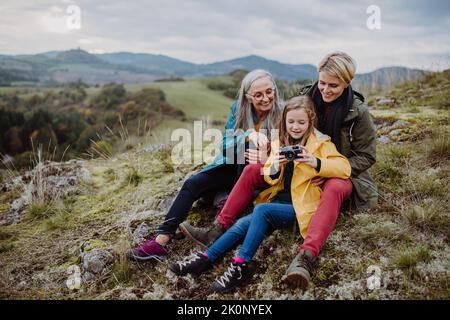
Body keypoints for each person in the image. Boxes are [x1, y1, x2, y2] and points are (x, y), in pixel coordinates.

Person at [180, 51, 377, 290]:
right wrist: (270, 158)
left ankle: (306, 257)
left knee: (333, 185)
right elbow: (285, 130)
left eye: (333, 85)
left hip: (337, 170)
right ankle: (218, 229)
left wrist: (322, 169)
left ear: (347, 82)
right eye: (322, 82)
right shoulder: (307, 98)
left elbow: (364, 157)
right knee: (254, 171)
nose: (325, 89)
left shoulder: (357, 113)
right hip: (298, 170)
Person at [169, 96, 351, 294]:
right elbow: (268, 175)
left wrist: (315, 162)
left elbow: (344, 168)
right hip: (279, 203)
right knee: (241, 225)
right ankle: (205, 259)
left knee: (262, 210)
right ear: (284, 121)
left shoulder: (322, 144)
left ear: (310, 121)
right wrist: (275, 165)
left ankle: (239, 266)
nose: (296, 127)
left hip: (302, 209)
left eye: (301, 122)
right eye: (291, 122)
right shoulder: (280, 141)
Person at [128, 69, 283, 261]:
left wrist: (266, 154)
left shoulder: (283, 113)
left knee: (249, 150)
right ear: (248, 97)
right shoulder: (238, 109)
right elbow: (226, 146)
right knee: (193, 184)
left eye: (269, 91)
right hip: (233, 166)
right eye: (258, 95)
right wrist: (247, 135)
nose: (266, 98)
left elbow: (285, 154)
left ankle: (219, 222)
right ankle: (160, 241)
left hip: (261, 175)